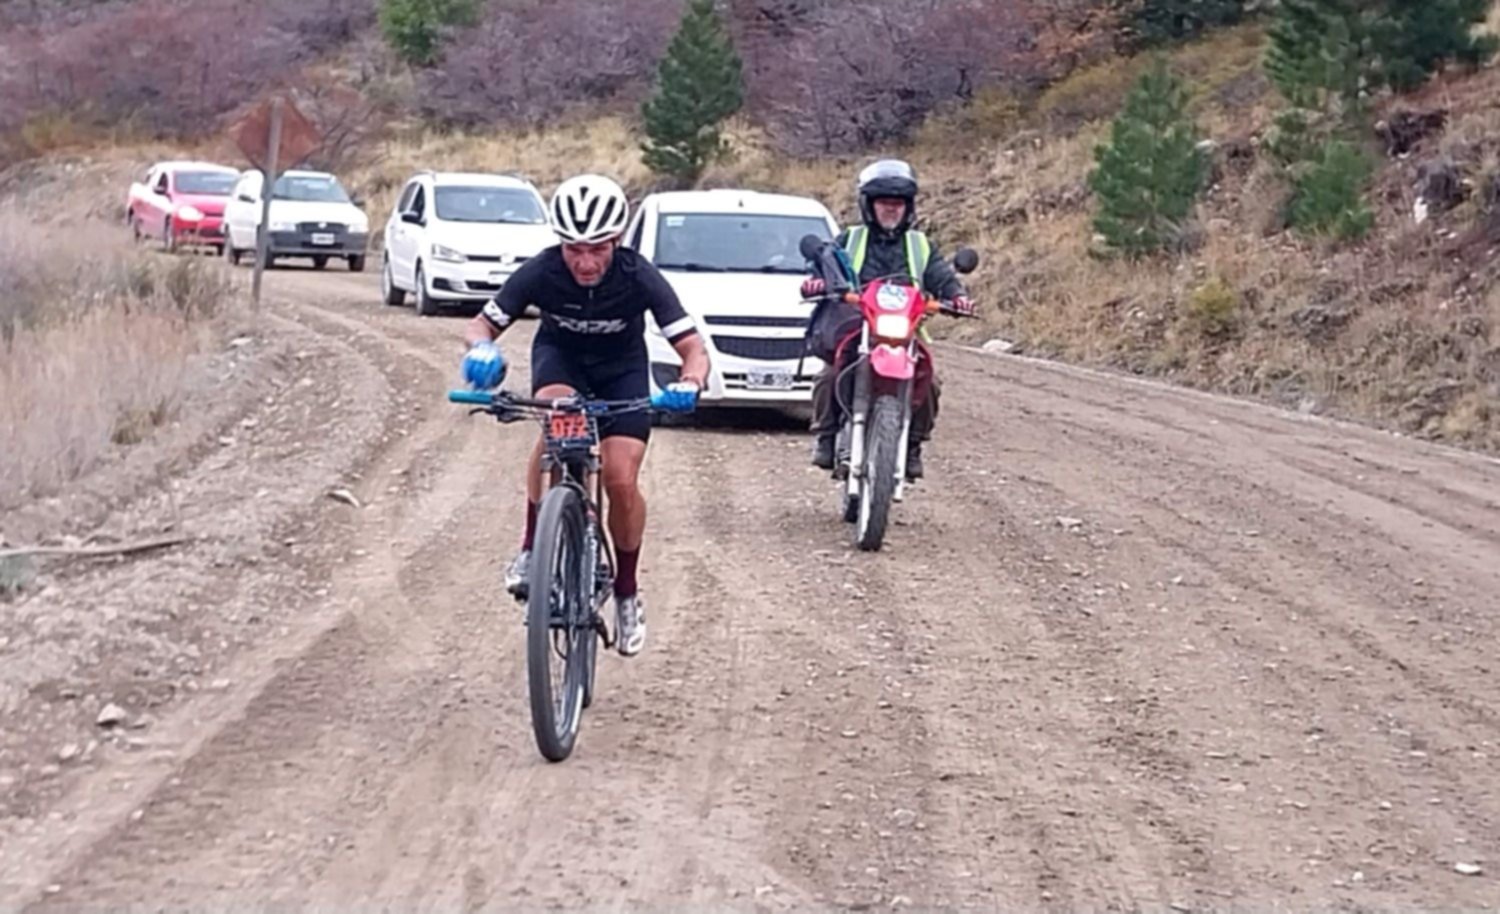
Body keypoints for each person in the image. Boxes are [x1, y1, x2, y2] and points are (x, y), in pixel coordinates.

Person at [460, 174, 709, 657]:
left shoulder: (638, 276)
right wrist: (480, 351)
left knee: (619, 478)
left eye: (597, 248)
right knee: (558, 419)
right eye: (574, 249)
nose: (585, 262)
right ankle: (534, 547)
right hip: (562, 360)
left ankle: (627, 592)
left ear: (616, 241)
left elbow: (693, 348)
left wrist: (689, 383)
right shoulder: (542, 271)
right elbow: (481, 324)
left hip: (623, 370)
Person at [802, 159, 974, 480]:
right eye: (884, 203)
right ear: (869, 205)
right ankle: (826, 437)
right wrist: (817, 281)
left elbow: (941, 277)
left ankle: (912, 446)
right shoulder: (849, 240)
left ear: (908, 207)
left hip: (906, 329)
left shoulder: (920, 245)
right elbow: (826, 265)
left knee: (932, 382)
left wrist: (958, 296)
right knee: (828, 375)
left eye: (897, 204)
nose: (891, 210)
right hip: (856, 324)